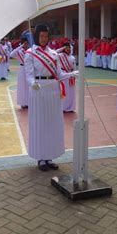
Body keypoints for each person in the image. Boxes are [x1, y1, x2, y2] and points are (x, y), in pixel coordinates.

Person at [25, 25, 78, 171]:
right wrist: (32, 84)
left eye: (46, 36)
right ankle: (41, 158)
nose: (44, 39)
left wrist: (71, 74)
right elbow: (28, 75)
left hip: (53, 90)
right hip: (39, 90)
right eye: (41, 36)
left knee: (52, 123)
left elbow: (59, 74)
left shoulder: (54, 54)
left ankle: (50, 156)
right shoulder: (30, 53)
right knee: (40, 123)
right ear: (37, 36)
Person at [10, 38, 29, 109]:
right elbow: (11, 54)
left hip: (28, 69)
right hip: (22, 69)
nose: (26, 45)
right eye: (25, 43)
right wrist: (21, 46)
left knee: (28, 86)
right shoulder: (19, 51)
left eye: (27, 43)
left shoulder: (29, 51)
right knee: (22, 86)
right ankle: (23, 103)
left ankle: (28, 102)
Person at [57, 42, 77, 113]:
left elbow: (74, 67)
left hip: (71, 76)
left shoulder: (72, 57)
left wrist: (74, 75)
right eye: (66, 47)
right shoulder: (60, 55)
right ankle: (64, 107)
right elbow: (54, 52)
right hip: (64, 74)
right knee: (64, 92)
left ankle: (71, 107)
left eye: (69, 47)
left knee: (71, 92)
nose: (68, 49)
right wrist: (62, 48)